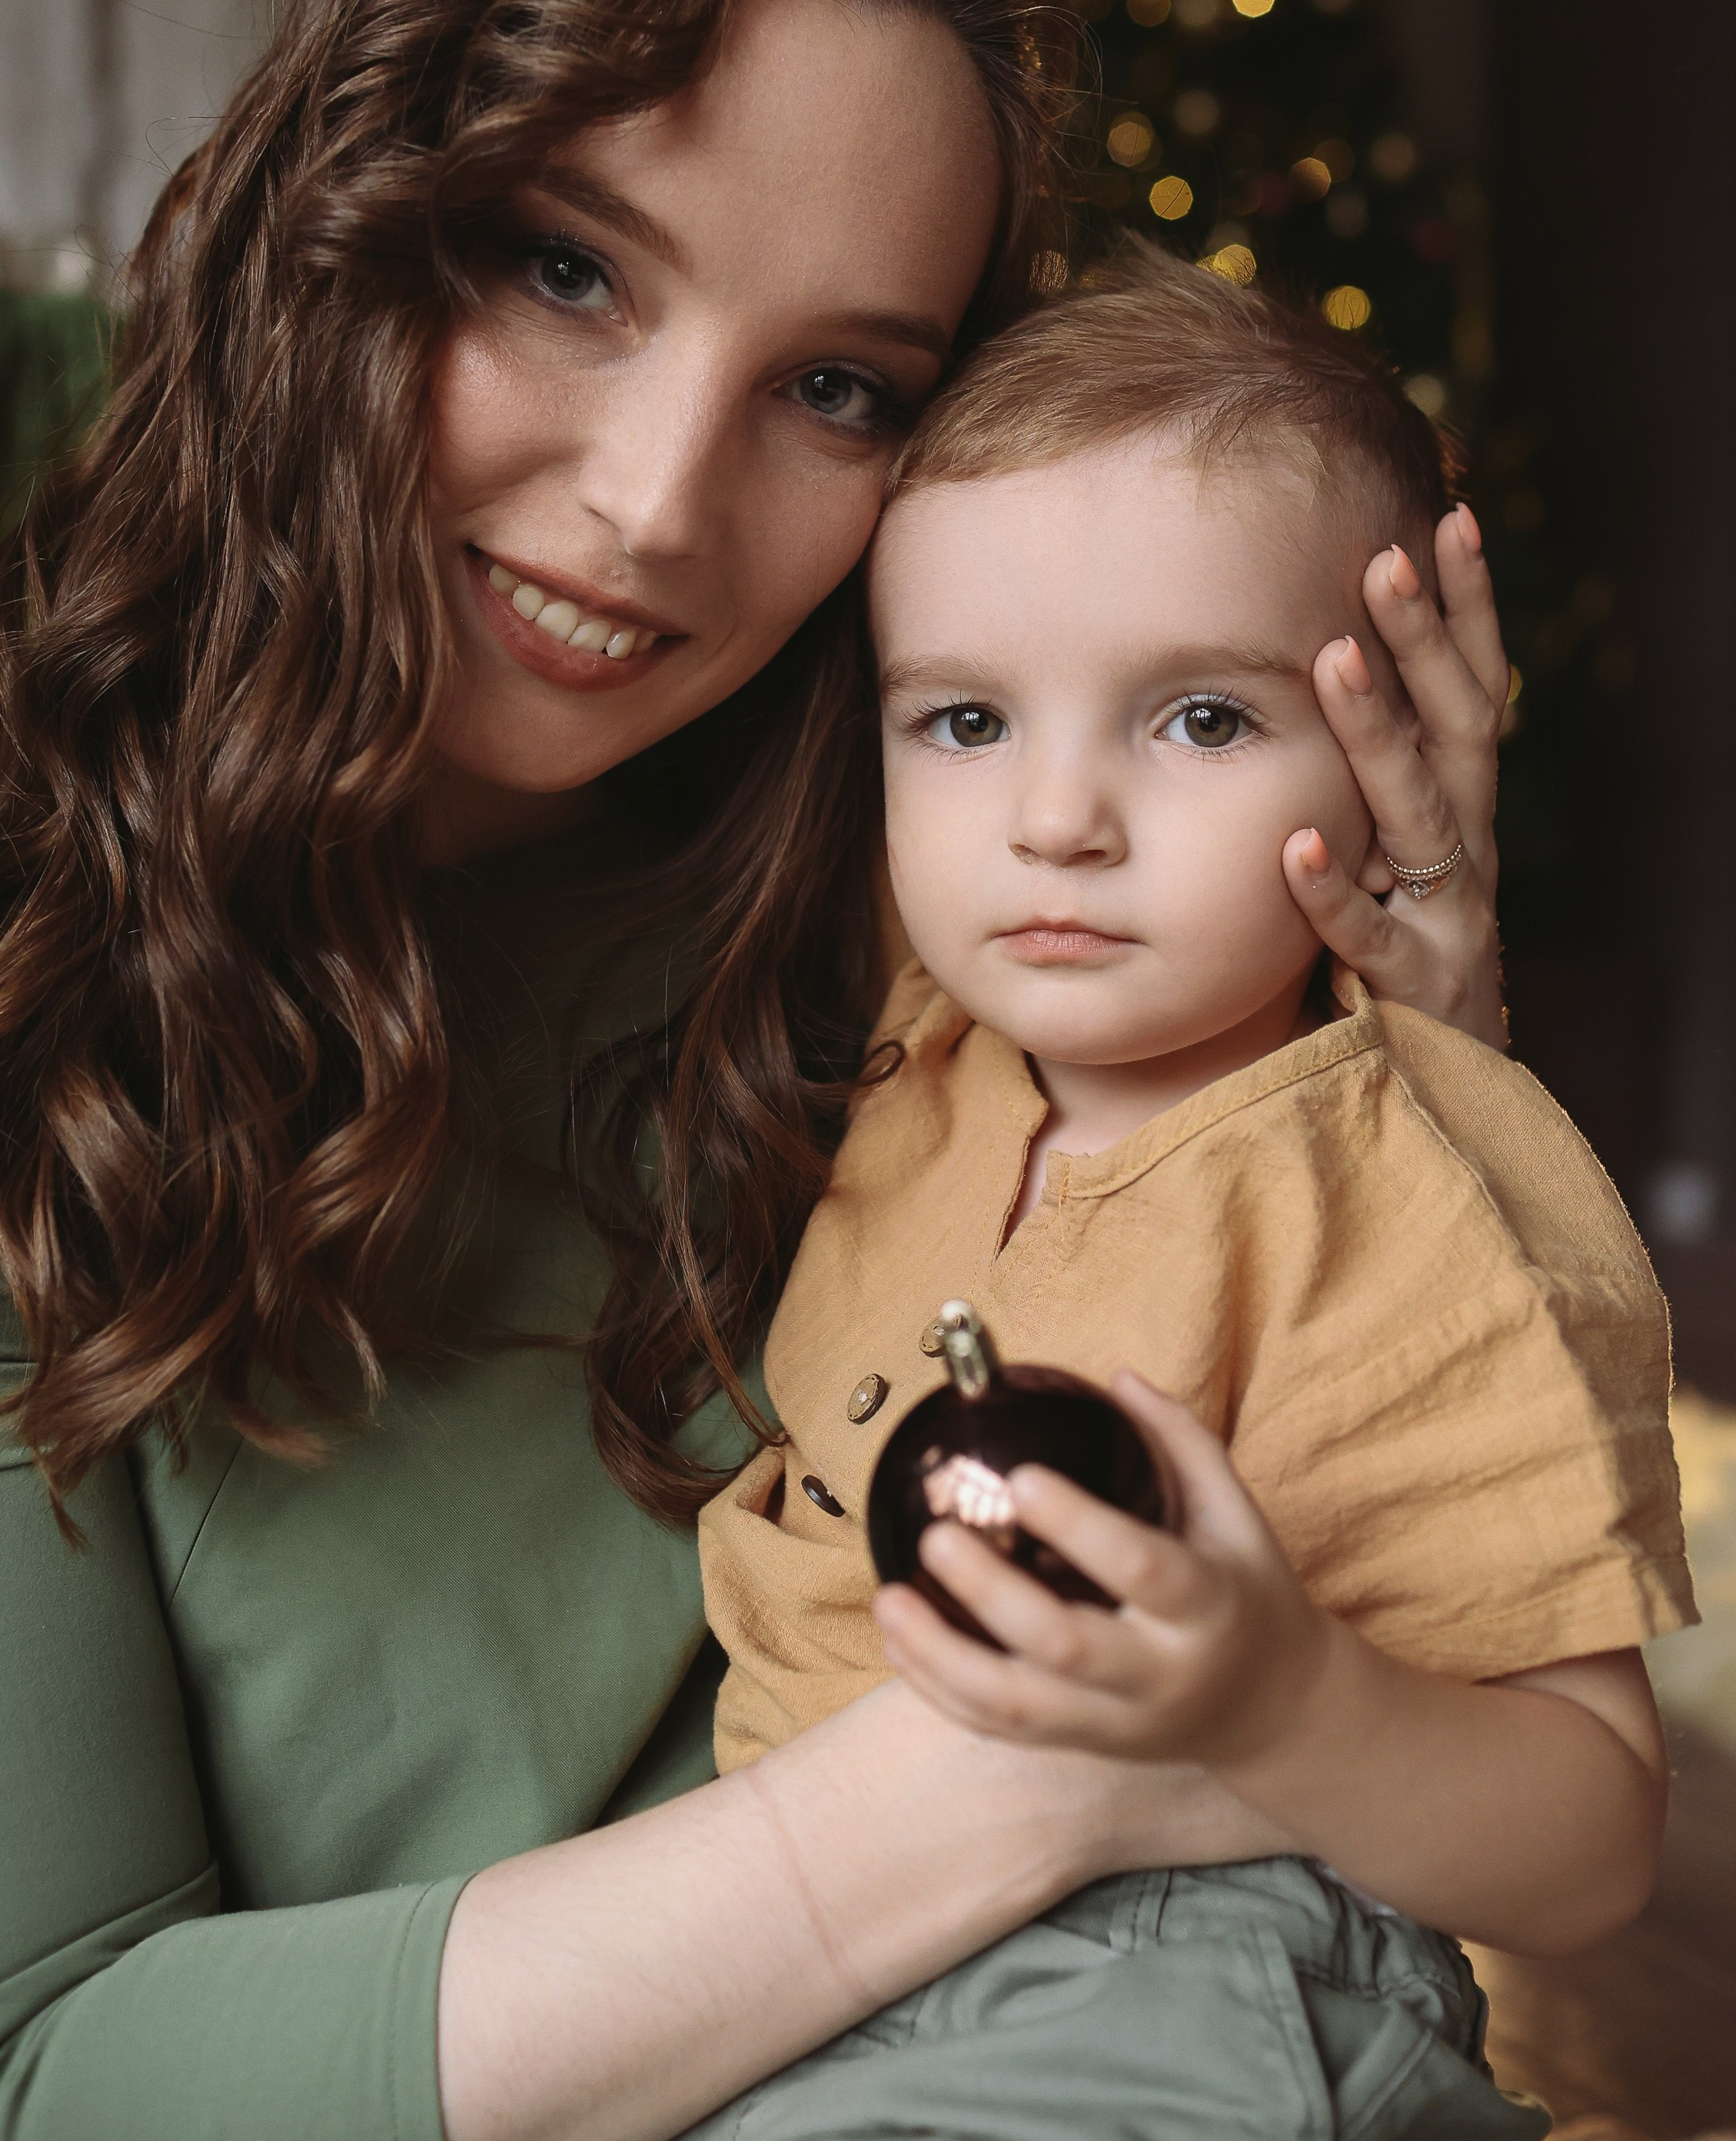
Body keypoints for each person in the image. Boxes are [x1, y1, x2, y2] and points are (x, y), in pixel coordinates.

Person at [0, 0, 1516, 2141]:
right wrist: (1047, 1771)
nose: (660, 499)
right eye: (566, 267)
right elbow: (34, 2068)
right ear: (334, 232)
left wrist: (1399, 1081)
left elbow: (1523, 1865)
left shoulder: (986, 928)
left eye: (837, 389)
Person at [695, 245, 1691, 2139]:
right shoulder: (918, 1051)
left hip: (1193, 1959)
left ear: (1389, 767)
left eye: (1201, 720)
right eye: (965, 720)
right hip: (802, 1944)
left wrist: (1280, 1700)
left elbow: (1590, 1843)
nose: (1057, 816)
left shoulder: (1406, 1198)